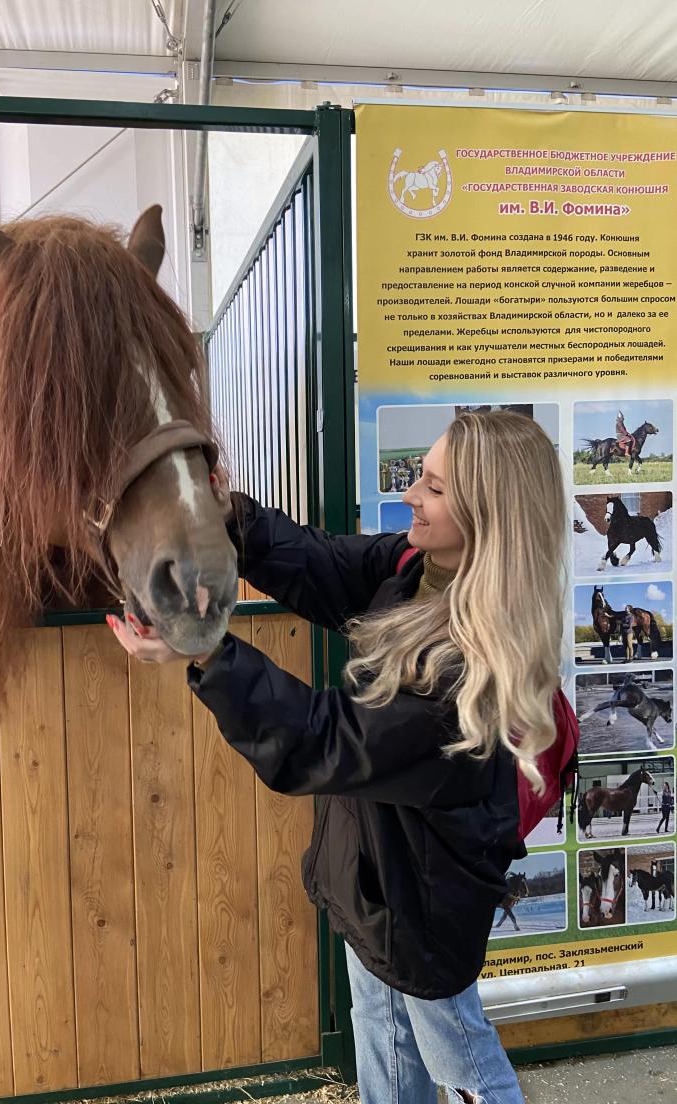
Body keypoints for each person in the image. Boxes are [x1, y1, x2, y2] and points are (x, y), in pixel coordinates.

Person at [108, 410, 566, 1104]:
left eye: (435, 488)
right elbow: (321, 565)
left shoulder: (468, 670)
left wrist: (209, 652)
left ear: (487, 515)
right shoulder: (419, 567)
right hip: (376, 882)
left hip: (423, 908)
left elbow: (324, 741)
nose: (412, 493)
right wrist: (220, 513)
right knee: (383, 1043)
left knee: (463, 1066)